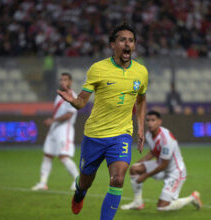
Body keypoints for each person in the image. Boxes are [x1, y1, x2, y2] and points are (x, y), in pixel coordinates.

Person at [57, 22, 148, 220]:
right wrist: (73, 101)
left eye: (131, 40)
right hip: (95, 135)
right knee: (85, 182)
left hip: (121, 134)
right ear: (112, 45)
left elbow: (141, 100)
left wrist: (140, 128)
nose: (127, 44)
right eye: (122, 40)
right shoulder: (98, 69)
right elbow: (82, 101)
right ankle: (79, 193)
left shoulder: (141, 72)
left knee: (117, 179)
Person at [121, 110, 202, 211]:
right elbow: (153, 152)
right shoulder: (149, 134)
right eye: (148, 120)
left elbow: (164, 164)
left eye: (153, 120)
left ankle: (192, 198)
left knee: (162, 207)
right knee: (134, 169)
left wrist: (145, 176)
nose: (150, 123)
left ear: (159, 122)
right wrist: (139, 163)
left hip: (175, 172)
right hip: (161, 166)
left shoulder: (166, 139)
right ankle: (138, 203)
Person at [32, 72, 79, 191]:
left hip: (65, 129)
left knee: (63, 156)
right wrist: (53, 122)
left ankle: (77, 180)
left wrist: (53, 120)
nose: (63, 82)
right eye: (61, 80)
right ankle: (43, 183)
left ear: (70, 82)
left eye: (65, 80)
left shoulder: (72, 95)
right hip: (55, 128)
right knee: (47, 155)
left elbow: (69, 114)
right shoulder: (59, 95)